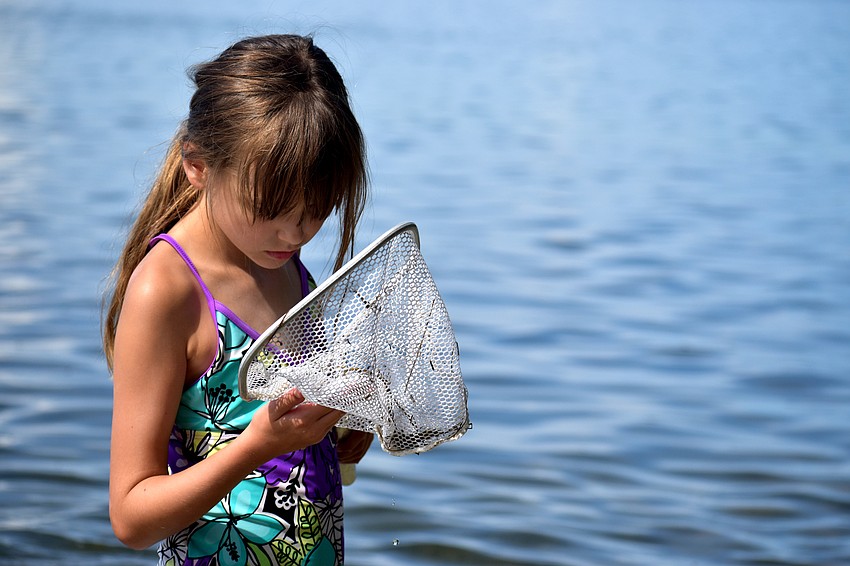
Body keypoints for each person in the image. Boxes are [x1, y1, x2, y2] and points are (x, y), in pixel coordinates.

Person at [102, 34, 374, 566]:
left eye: (317, 210)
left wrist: (338, 424)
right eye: (271, 206)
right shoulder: (169, 290)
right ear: (199, 165)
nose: (296, 232)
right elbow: (131, 517)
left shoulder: (281, 261)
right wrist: (254, 449)